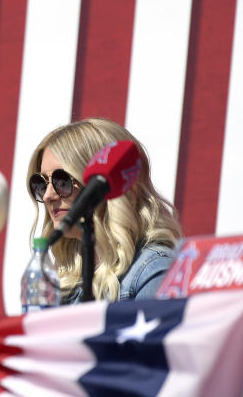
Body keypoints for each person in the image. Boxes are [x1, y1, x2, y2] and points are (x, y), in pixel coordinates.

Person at [25, 117, 182, 302]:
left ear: (107, 186)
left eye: (62, 181)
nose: (47, 196)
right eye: (41, 184)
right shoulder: (64, 283)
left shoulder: (154, 269)